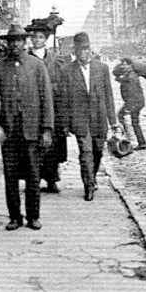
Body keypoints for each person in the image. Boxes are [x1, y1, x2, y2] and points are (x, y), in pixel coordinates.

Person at [0, 24, 54, 231]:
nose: (15, 45)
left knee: (33, 176)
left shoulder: (36, 66)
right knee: (11, 176)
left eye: (19, 41)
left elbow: (46, 99)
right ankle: (15, 216)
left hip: (32, 131)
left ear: (25, 43)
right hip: (9, 133)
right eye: (11, 41)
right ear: (7, 43)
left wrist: (47, 129)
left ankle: (33, 216)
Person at [64, 32, 116, 201]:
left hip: (99, 118)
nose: (84, 53)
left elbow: (108, 95)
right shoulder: (67, 71)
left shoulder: (102, 68)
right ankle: (89, 185)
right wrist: (65, 124)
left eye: (87, 49)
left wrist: (113, 122)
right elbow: (63, 99)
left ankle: (92, 177)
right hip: (79, 119)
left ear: (91, 49)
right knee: (85, 152)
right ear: (75, 51)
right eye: (80, 50)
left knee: (97, 151)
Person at [27, 20, 68, 194]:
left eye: (40, 37)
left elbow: (62, 82)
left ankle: (52, 180)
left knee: (52, 146)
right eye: (34, 37)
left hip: (53, 108)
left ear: (46, 39)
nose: (37, 40)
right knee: (34, 147)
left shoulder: (54, 59)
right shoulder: (27, 58)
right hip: (32, 108)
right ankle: (34, 180)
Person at [112, 58, 146, 151]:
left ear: (130, 65)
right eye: (122, 64)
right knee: (133, 122)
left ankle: (130, 139)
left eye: (125, 64)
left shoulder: (131, 76)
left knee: (124, 117)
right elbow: (115, 72)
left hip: (134, 102)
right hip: (135, 102)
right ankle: (140, 142)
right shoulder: (129, 74)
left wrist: (129, 106)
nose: (123, 66)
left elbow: (132, 91)